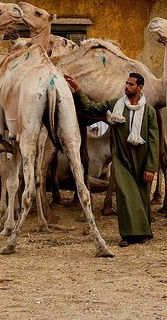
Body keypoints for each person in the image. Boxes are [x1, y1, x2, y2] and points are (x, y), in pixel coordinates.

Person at [64, 72, 159, 247]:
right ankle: (129, 235)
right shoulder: (115, 105)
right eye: (126, 83)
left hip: (141, 160)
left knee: (142, 196)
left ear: (139, 88)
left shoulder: (149, 112)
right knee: (124, 195)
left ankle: (144, 232)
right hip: (121, 159)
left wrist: (151, 167)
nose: (127, 87)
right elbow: (91, 108)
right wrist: (77, 89)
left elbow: (154, 142)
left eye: (131, 85)